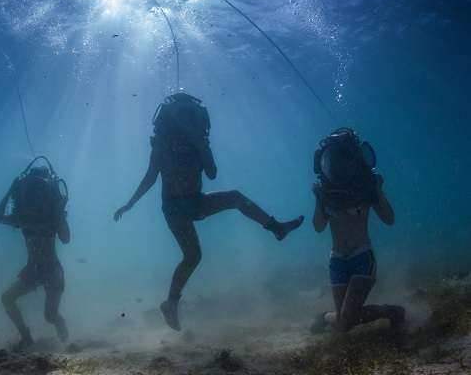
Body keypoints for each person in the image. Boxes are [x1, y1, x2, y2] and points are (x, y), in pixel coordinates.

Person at [113, 92, 304, 331]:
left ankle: (276, 228)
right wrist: (129, 204)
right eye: (181, 118)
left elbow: (212, 173)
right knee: (193, 256)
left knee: (235, 198)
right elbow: (150, 178)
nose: (185, 123)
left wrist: (201, 146)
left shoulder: (196, 143)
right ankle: (170, 304)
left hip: (195, 202)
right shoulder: (162, 147)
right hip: (174, 209)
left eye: (189, 118)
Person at [309, 128, 404, 334]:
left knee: (347, 319)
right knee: (344, 323)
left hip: (362, 256)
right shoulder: (325, 193)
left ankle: (392, 311)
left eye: (344, 159)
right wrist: (318, 199)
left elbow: (389, 219)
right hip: (337, 260)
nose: (339, 166)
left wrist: (378, 190)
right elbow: (318, 227)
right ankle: (327, 316)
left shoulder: (366, 188)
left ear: (355, 160)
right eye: (334, 160)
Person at [0, 157, 70, 350]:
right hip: (35, 270)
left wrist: (60, 211)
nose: (36, 194)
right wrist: (12, 190)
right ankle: (27, 337)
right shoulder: (25, 217)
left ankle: (67, 345)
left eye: (40, 190)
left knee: (50, 316)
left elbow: (66, 238)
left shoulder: (41, 217)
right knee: (7, 298)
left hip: (51, 271)